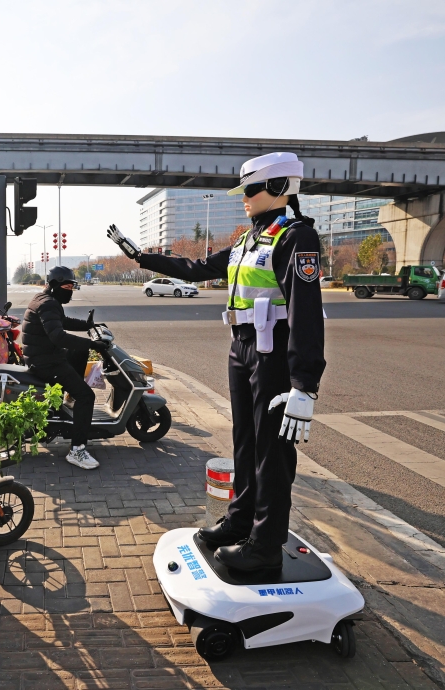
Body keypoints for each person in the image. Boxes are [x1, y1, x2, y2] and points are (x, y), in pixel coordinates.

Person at [107, 151, 325, 572]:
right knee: (245, 442)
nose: (244, 197)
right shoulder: (250, 239)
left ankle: (264, 544)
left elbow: (306, 312)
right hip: (242, 349)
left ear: (280, 188)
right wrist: (144, 257)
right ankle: (241, 520)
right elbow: (198, 267)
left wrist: (303, 384)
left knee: (272, 453)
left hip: (273, 353)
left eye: (252, 189)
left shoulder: (296, 237)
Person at [21, 266, 107, 470]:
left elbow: (62, 322)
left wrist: (87, 326)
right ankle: (77, 450)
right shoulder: (49, 304)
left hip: (45, 356)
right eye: (67, 286)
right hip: (46, 362)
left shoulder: (46, 300)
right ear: (54, 285)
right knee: (87, 396)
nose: (70, 290)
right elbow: (58, 336)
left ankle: (69, 397)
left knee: (78, 352)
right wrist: (92, 344)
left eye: (72, 287)